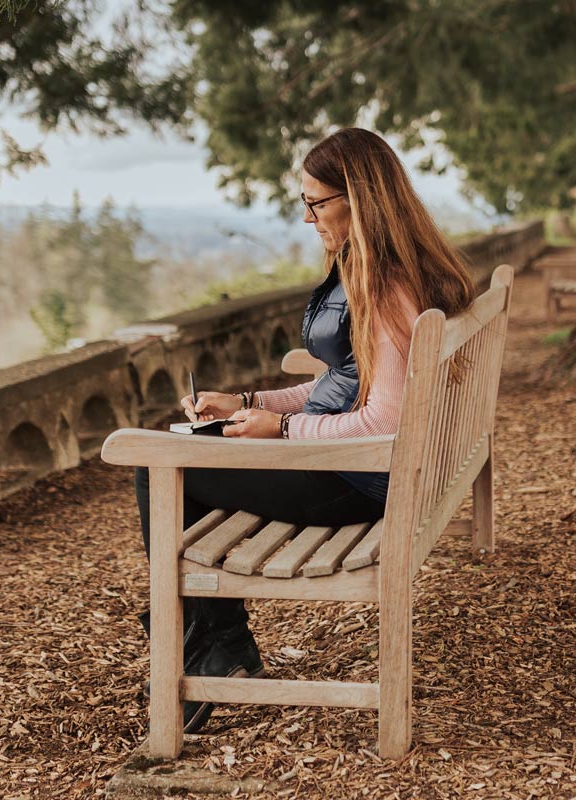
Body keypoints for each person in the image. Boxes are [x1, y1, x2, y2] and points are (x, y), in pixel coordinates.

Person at [134, 127, 476, 734]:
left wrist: (282, 428)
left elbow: (382, 422)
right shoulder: (376, 269)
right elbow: (341, 384)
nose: (309, 217)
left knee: (157, 464)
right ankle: (210, 635)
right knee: (190, 443)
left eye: (317, 203)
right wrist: (245, 402)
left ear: (360, 199)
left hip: (365, 478)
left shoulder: (387, 286)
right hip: (366, 463)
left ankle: (212, 638)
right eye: (306, 204)